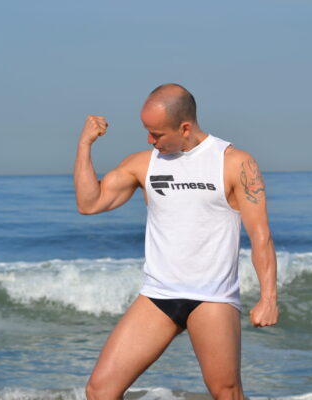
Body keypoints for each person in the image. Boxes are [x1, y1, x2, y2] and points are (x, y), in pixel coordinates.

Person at [73, 83, 279, 400]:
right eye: (147, 132)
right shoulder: (143, 163)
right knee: (100, 390)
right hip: (158, 294)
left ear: (184, 127)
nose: (149, 140)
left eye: (157, 134)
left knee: (226, 391)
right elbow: (90, 203)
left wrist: (268, 298)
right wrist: (85, 146)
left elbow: (260, 235)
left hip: (212, 297)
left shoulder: (234, 162)